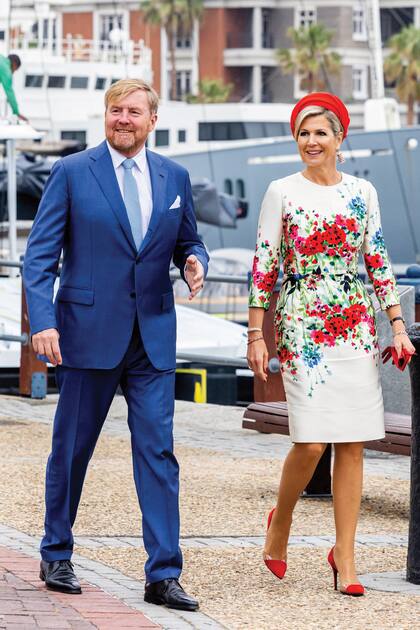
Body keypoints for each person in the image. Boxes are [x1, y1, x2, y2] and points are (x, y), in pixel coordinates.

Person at [23, 78, 208, 611]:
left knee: (158, 453)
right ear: (106, 117)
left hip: (152, 338)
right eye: (114, 110)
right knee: (72, 449)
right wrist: (44, 321)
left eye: (132, 111)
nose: (122, 119)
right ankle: (56, 552)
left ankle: (163, 573)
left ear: (153, 120)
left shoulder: (175, 177)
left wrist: (195, 260)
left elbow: (187, 239)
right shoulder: (72, 172)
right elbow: (39, 259)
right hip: (85, 335)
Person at [247, 92, 415, 596]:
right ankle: (282, 521)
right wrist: (256, 333)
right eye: (304, 133)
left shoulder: (363, 192)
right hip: (302, 324)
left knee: (352, 442)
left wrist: (398, 324)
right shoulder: (282, 191)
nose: (311, 141)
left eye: (321, 132)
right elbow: (265, 264)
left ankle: (345, 556)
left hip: (356, 323)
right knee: (313, 439)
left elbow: (378, 260)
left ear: (340, 139)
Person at [0, 54, 28, 121]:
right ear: (14, 64)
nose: (13, 73)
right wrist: (16, 112)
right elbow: (9, 93)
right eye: (15, 70)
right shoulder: (6, 70)